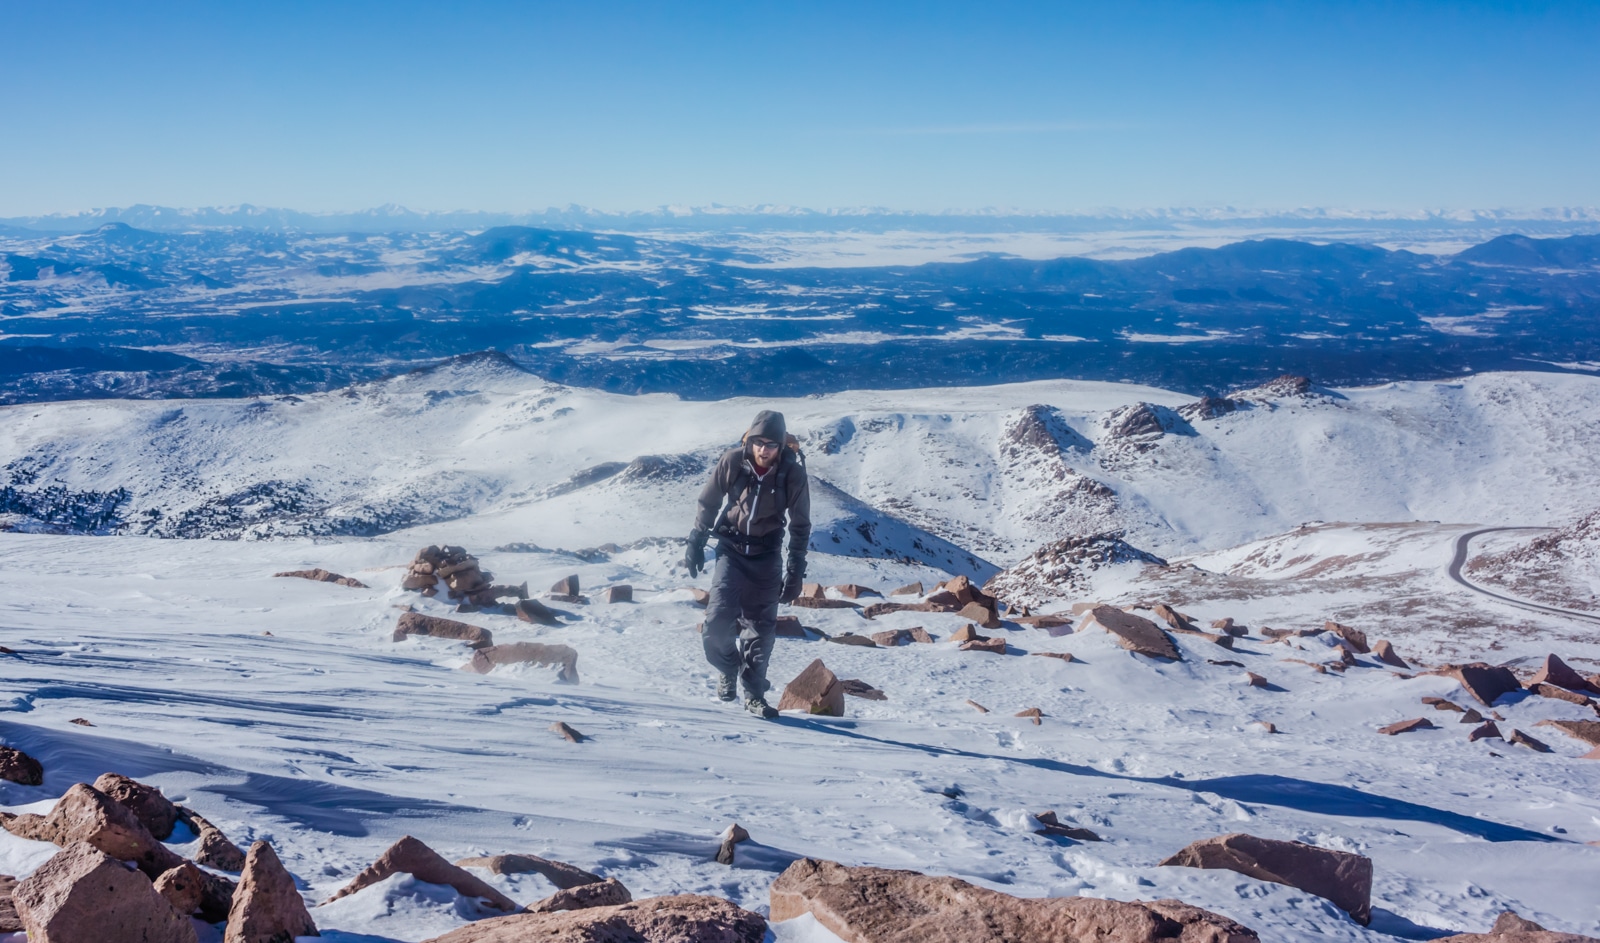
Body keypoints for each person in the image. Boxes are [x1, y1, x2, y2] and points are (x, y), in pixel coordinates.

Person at [685, 410, 810, 718]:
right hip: (731, 550)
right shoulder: (733, 462)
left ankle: (754, 695)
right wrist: (696, 541)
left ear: (781, 446)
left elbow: (800, 524)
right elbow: (709, 501)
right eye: (758, 442)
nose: (763, 450)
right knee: (715, 625)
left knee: (761, 629)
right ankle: (728, 667)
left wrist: (795, 571)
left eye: (771, 444)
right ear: (749, 440)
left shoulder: (791, 474)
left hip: (767, 555)